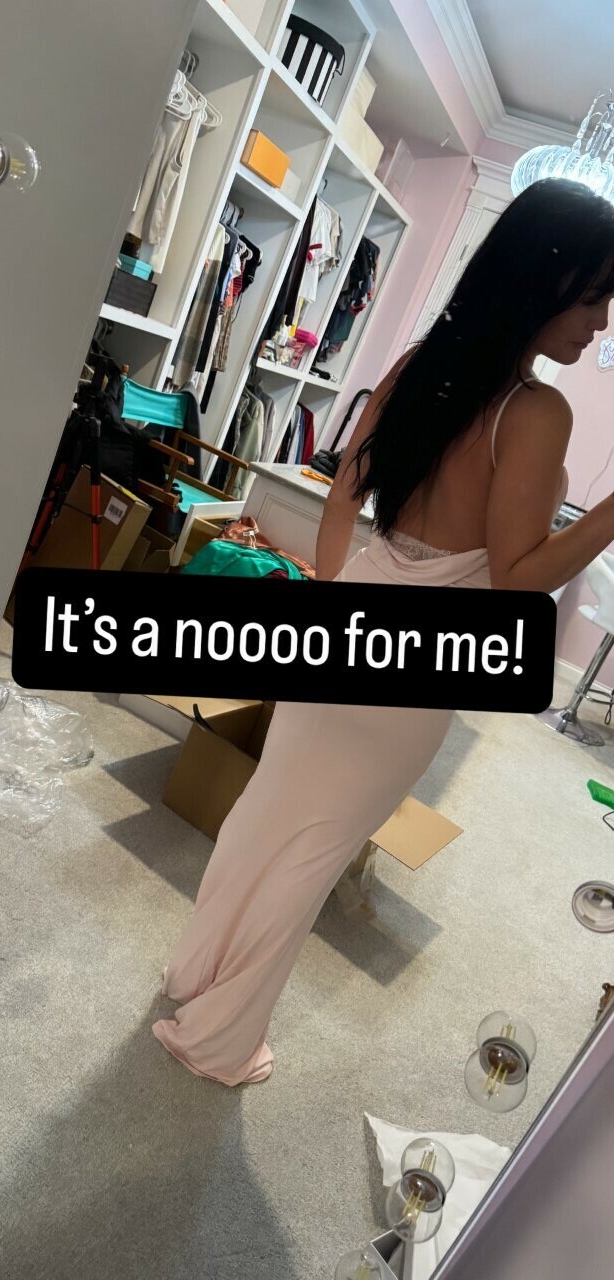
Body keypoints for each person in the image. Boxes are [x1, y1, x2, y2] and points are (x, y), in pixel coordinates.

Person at [152, 178, 614, 1086]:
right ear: (545, 280)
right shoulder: (537, 412)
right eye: (595, 298)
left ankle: (193, 978)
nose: (602, 324)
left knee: (264, 817)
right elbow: (519, 579)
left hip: (350, 615)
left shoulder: (414, 366)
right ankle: (220, 1040)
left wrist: (329, 598)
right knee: (311, 853)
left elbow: (343, 495)